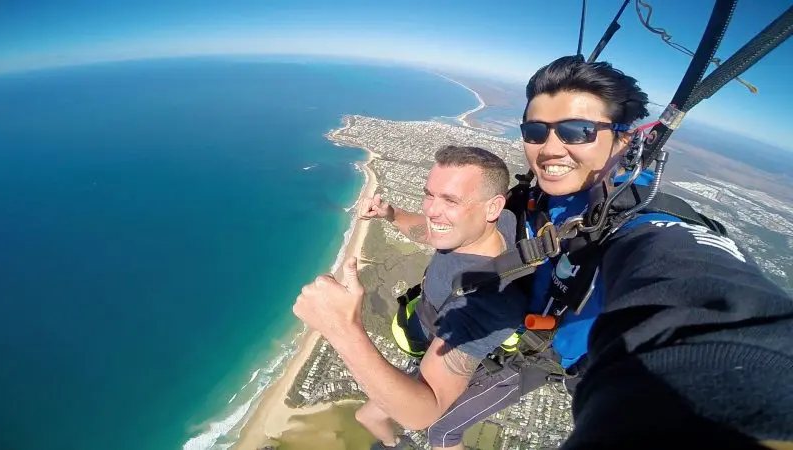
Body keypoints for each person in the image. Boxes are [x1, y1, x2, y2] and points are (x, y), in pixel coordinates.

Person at [295, 55, 793, 449]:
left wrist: (341, 327)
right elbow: (451, 232)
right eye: (536, 131)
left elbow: (715, 310)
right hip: (474, 337)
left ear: (624, 142)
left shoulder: (649, 230)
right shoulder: (532, 198)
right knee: (374, 409)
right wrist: (395, 218)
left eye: (578, 131)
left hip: (527, 360)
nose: (551, 147)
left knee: (439, 431)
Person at [295, 145, 532, 450]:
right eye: (429, 195)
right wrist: (390, 213)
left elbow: (424, 412)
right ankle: (396, 445)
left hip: (472, 361)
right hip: (432, 341)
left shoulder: (485, 303)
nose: (432, 210)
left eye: (450, 200)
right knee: (368, 416)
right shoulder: (488, 225)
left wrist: (340, 328)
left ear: (492, 207)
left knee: (441, 436)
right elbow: (428, 231)